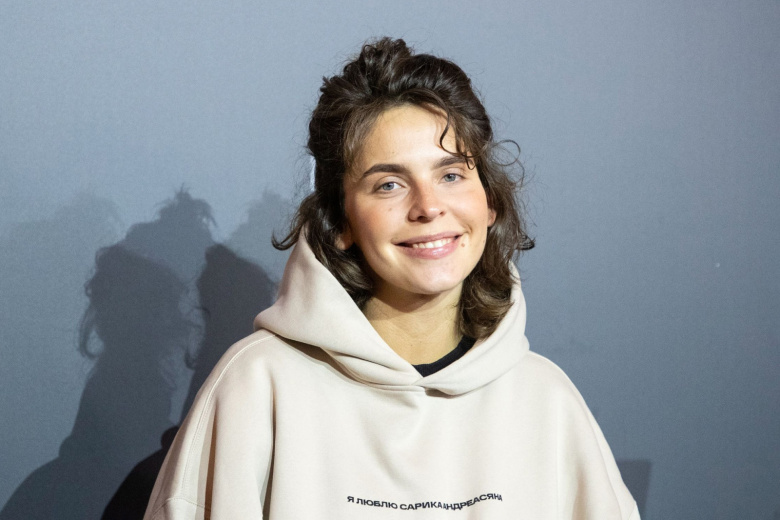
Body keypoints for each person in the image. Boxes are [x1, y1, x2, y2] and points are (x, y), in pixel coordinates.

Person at [144, 37, 640, 519]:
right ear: (339, 222)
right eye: (389, 184)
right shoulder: (257, 385)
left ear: (489, 202)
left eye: (450, 175)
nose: (428, 207)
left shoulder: (547, 401)